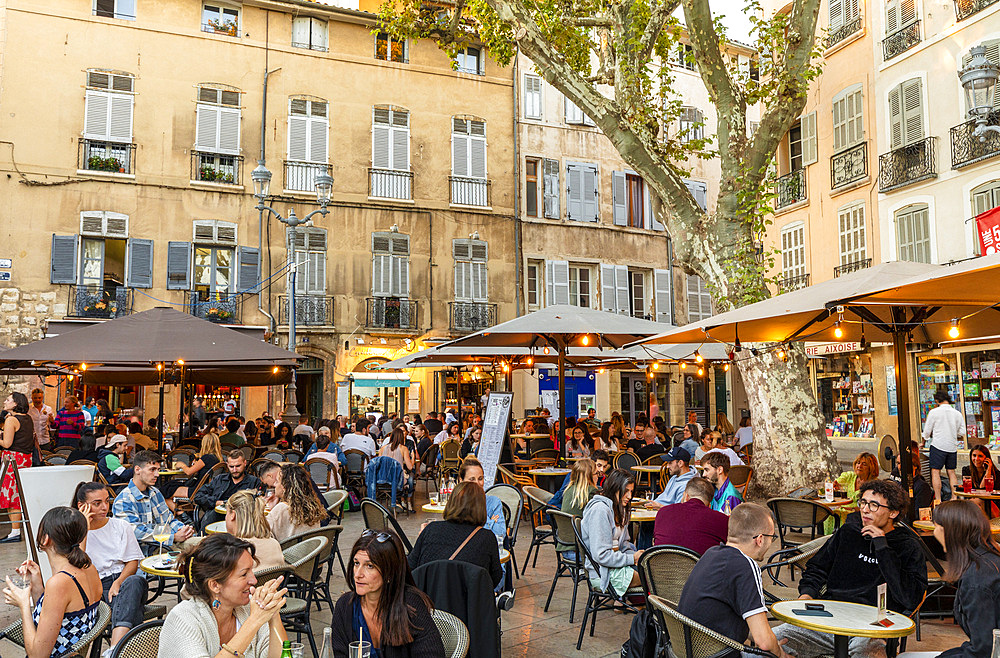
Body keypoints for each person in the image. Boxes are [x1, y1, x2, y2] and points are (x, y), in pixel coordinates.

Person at [773, 479, 928, 658]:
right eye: (863, 502)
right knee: (772, 641)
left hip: (873, 627)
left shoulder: (907, 546)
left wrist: (882, 547)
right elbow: (817, 567)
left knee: (868, 652)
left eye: (874, 505)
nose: (865, 509)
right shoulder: (849, 533)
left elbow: (911, 597)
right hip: (829, 618)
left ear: (893, 512)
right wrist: (807, 594)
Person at [678, 503, 790, 658]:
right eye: (772, 538)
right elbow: (763, 642)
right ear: (760, 539)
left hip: (690, 649)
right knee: (790, 646)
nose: (771, 544)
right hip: (719, 653)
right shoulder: (745, 566)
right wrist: (780, 654)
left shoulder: (711, 553)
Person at [158, 534, 289, 658]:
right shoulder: (183, 619)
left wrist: (273, 613)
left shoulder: (248, 608)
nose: (254, 580)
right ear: (215, 585)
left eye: (251, 571)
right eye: (244, 574)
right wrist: (254, 621)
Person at [2, 507, 103, 658]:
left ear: (45, 539)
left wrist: (23, 605)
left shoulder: (60, 583)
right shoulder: (89, 569)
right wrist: (37, 585)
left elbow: (38, 655)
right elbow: (54, 618)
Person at [331, 528, 444, 656]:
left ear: (389, 572)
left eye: (370, 566)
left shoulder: (410, 605)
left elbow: (432, 654)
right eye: (356, 563)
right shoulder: (345, 607)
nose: (357, 574)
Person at [917, 500, 1000, 658]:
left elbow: (983, 651)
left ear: (951, 531)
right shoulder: (989, 560)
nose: (934, 533)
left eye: (936, 527)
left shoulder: (977, 580)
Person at [73, 482, 148, 651]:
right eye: (97, 503)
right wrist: (83, 526)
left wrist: (119, 582)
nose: (104, 507)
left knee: (135, 582)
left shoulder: (121, 526)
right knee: (131, 608)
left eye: (107, 501)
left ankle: (114, 648)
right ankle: (122, 650)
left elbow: (132, 562)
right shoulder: (75, 533)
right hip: (95, 587)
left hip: (125, 581)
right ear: (81, 506)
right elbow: (77, 563)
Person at [409, 481, 504, 588]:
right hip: (468, 602)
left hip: (428, 601)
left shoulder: (431, 529)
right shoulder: (486, 537)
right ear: (481, 508)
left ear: (451, 502)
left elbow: (411, 566)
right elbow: (495, 577)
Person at [112, 449, 196, 547]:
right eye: (152, 469)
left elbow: (168, 521)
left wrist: (184, 530)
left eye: (158, 470)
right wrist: (173, 537)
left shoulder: (155, 492)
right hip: (142, 553)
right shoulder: (124, 499)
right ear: (137, 469)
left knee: (204, 545)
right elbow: (136, 532)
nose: (157, 474)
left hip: (163, 545)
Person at [580, 468, 643, 595]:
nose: (630, 496)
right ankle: (644, 610)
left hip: (616, 566)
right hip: (601, 572)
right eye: (626, 491)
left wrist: (638, 557)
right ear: (615, 488)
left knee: (654, 570)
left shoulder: (619, 509)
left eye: (631, 491)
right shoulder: (600, 510)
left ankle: (633, 607)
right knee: (653, 579)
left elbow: (624, 546)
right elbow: (601, 555)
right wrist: (632, 559)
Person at [653, 477, 729, 554]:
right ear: (709, 505)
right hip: (701, 565)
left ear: (686, 496)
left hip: (661, 564)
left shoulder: (663, 512)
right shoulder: (722, 520)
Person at [193, 449, 261, 530]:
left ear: (245, 463)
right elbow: (198, 496)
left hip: (242, 518)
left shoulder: (254, 481)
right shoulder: (219, 479)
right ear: (227, 464)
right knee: (211, 517)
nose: (235, 470)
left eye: (238, 466)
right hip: (217, 515)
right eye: (231, 467)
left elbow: (257, 502)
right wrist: (216, 502)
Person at [1, 392, 35, 543]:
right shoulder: (27, 418)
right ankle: (15, 530)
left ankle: (15, 532)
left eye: (8, 400)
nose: (5, 401)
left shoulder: (11, 420)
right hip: (25, 459)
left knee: (12, 496)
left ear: (15, 404)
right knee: (18, 495)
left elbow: (7, 444)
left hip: (12, 460)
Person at [224, 491, 285, 570]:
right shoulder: (274, 544)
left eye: (226, 513)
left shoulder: (234, 550)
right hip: (275, 582)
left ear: (233, 515)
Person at [164, 432, 224, 511]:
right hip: (206, 489)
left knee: (164, 491)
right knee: (170, 485)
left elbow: (189, 472)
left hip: (197, 490)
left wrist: (182, 465)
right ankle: (184, 513)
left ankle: (182, 515)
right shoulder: (218, 459)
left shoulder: (206, 458)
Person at [922, 390, 964, 502]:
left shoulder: (934, 412)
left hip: (938, 445)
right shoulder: (957, 413)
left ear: (937, 400)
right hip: (952, 446)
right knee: (951, 471)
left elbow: (926, 432)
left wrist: (923, 441)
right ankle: (954, 497)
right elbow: (962, 432)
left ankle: (938, 498)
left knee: (935, 471)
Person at [268, 463, 327, 541]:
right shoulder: (312, 506)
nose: (274, 484)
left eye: (277, 481)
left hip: (287, 552)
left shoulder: (282, 508)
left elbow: (260, 531)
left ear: (284, 487)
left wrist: (270, 510)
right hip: (310, 551)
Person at [890, 443, 933, 511]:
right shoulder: (896, 477)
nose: (900, 467)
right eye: (898, 463)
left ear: (915, 466)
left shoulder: (922, 487)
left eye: (904, 463)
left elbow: (919, 513)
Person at [379, 426, 415, 505]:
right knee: (410, 478)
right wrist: (413, 458)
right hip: (398, 480)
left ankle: (397, 501)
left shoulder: (382, 448)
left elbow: (379, 465)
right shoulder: (403, 448)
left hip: (383, 480)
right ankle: (406, 501)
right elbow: (410, 467)